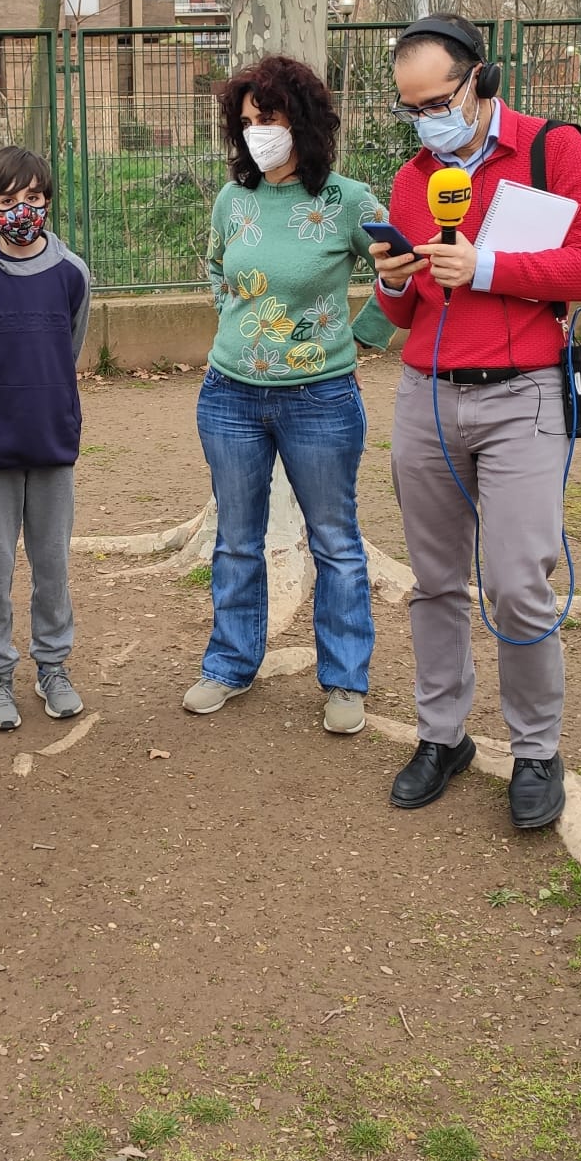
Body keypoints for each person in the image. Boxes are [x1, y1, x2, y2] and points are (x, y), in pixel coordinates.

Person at [370, 13, 581, 830]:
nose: (427, 122)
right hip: (427, 397)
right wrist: (389, 278)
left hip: (524, 396)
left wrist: (487, 266)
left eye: (437, 101)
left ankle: (537, 749)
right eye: (410, 109)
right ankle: (443, 737)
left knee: (517, 581)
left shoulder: (554, 151)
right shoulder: (416, 178)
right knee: (434, 581)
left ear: (482, 78)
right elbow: (407, 312)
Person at [184, 54, 395, 735]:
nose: (256, 133)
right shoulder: (232, 199)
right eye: (245, 122)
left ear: (301, 121)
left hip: (321, 400)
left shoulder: (349, 201)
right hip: (229, 397)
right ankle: (229, 664)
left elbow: (404, 275)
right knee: (237, 542)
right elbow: (217, 266)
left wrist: (359, 339)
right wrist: (235, 325)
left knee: (334, 542)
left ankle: (344, 681)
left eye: (268, 119)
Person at [0, 145, 92, 731]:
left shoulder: (72, 272)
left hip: (52, 447)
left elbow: (69, 349)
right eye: (9, 200)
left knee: (52, 566)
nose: (23, 209)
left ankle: (53, 667)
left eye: (33, 198)